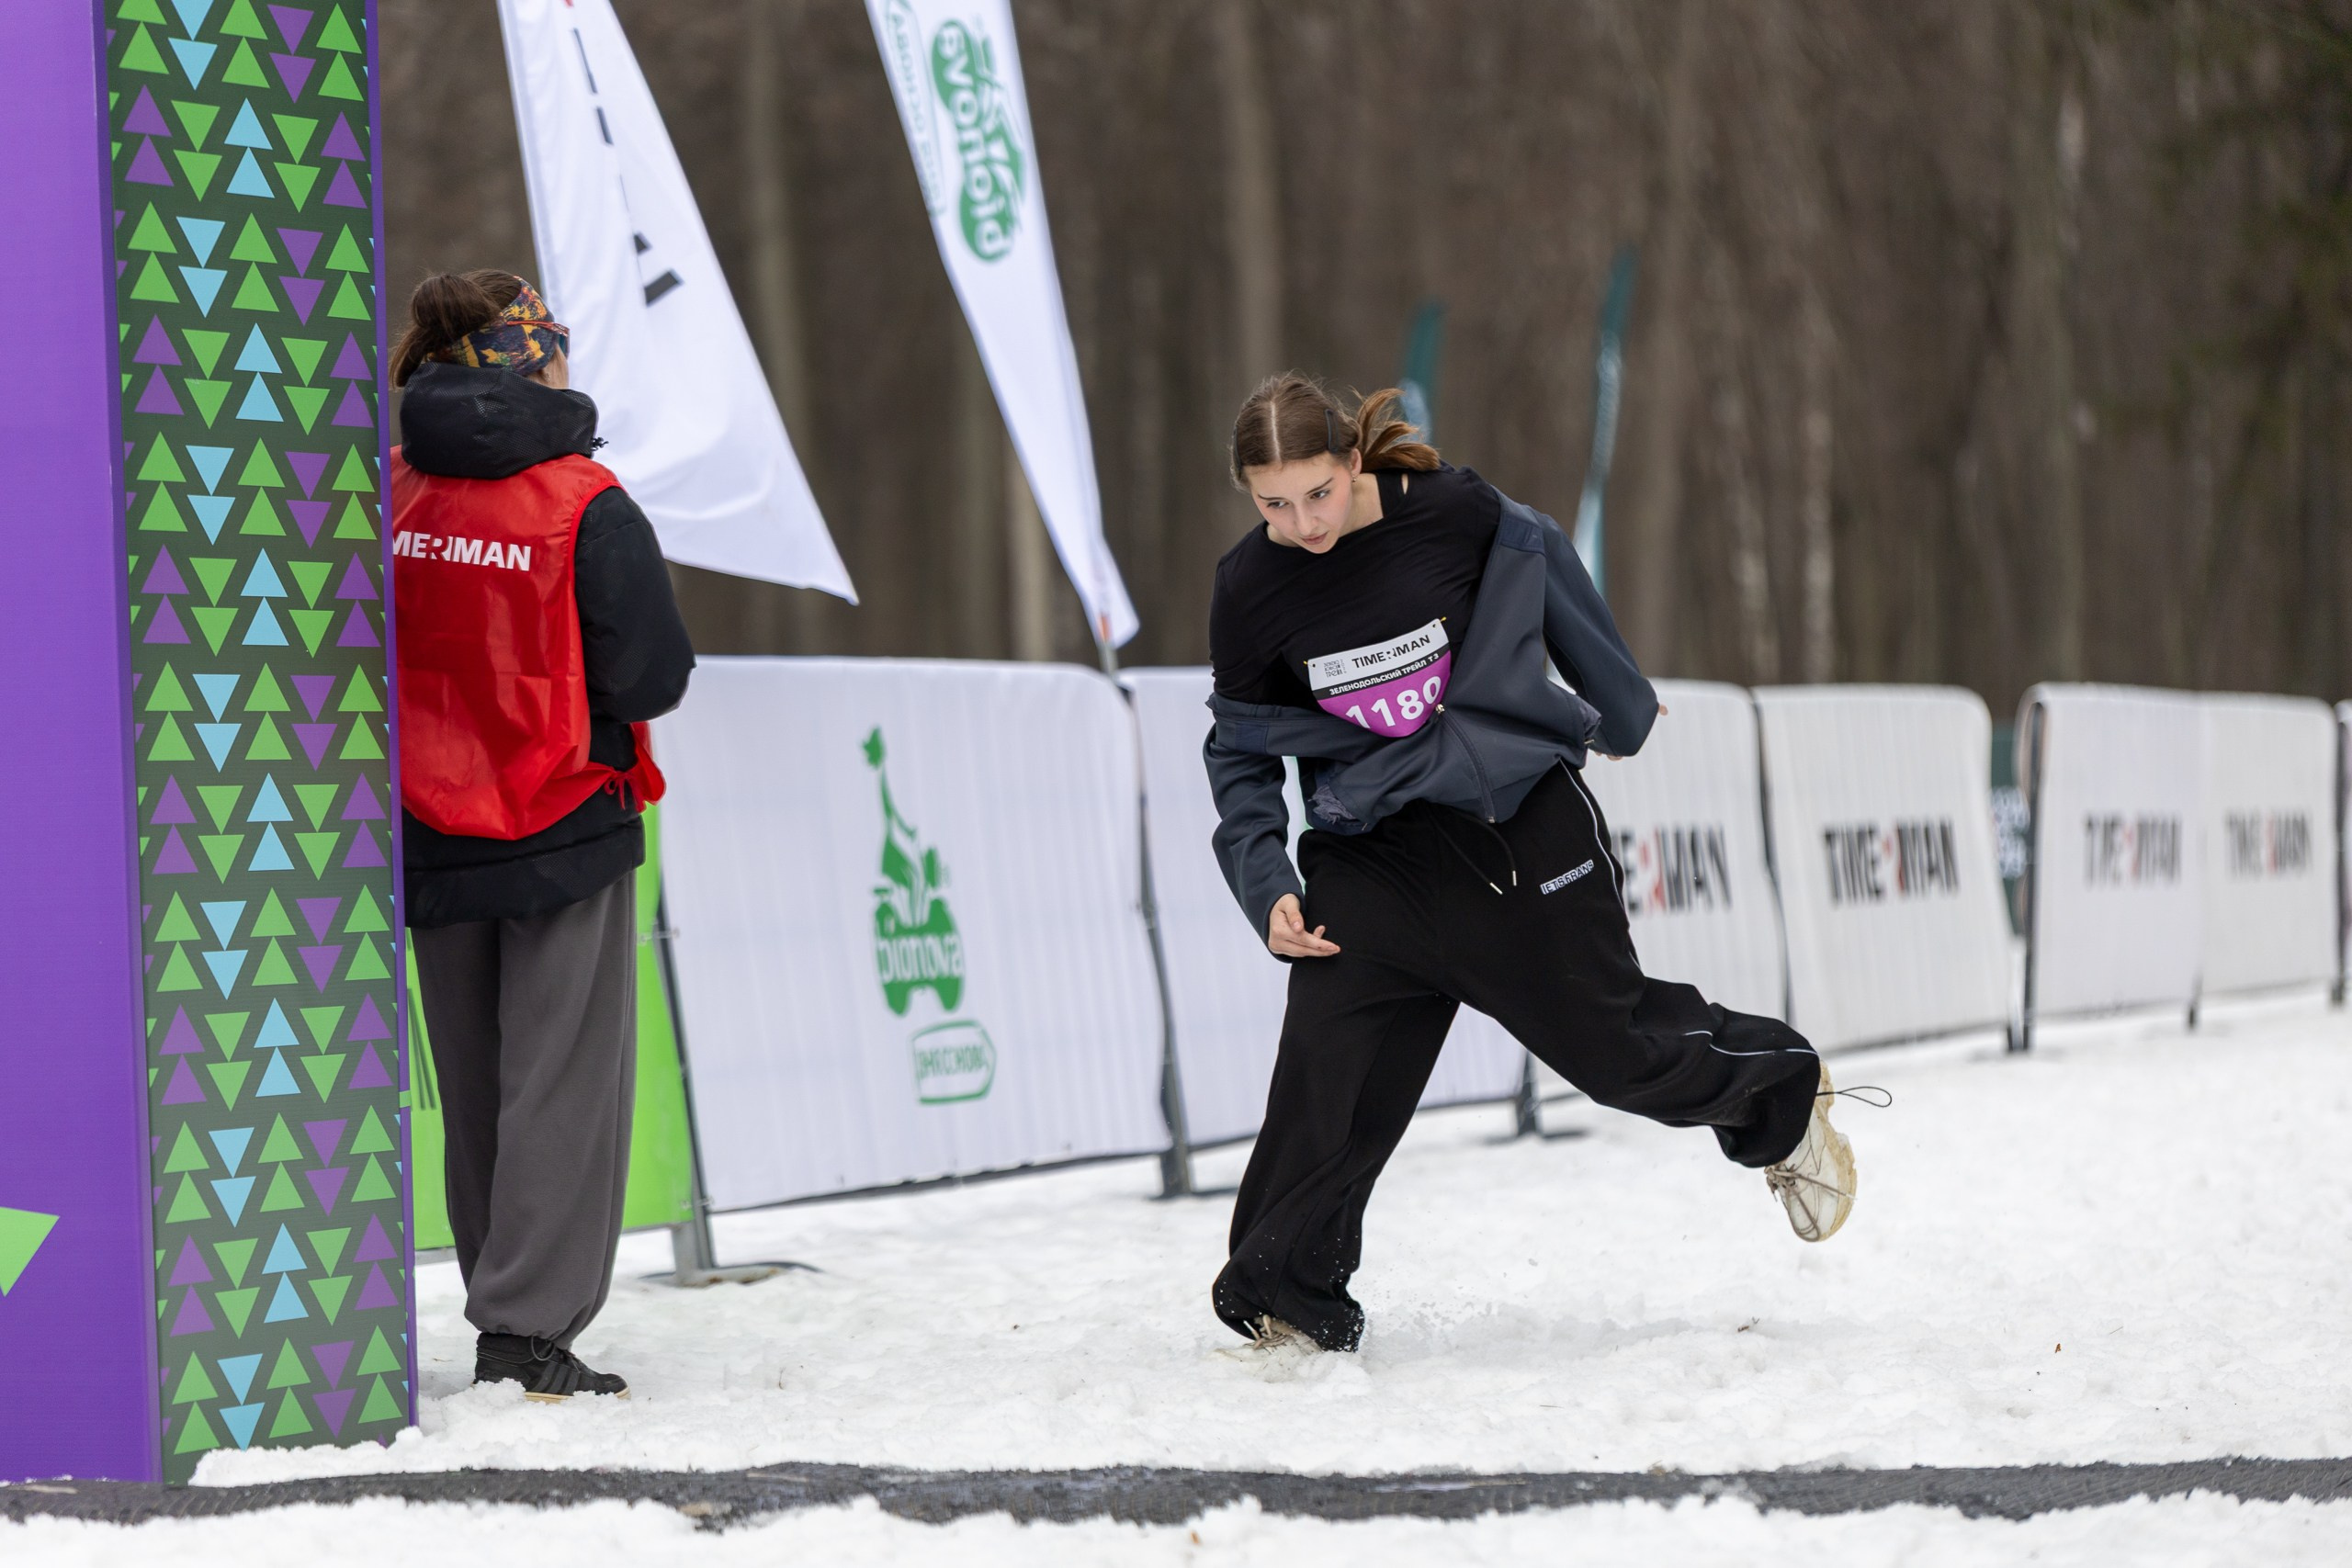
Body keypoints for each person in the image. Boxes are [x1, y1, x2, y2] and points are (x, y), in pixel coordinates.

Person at [1203, 373, 1857, 1356]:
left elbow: (1545, 556)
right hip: (1369, 860)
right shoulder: (1249, 589)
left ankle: (1781, 1092)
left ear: (1353, 461)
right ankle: (1287, 1296)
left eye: (1318, 493)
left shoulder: (1451, 512)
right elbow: (1240, 749)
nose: (1303, 523)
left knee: (1619, 1053)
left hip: (1511, 830)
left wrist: (1617, 705)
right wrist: (1266, 884)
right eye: (1274, 505)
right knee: (1323, 1082)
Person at [388, 272, 695, 1399]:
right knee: (558, 1085)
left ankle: (502, 1309)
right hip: (563, 814)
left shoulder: (388, 489)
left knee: (475, 1089)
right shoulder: (581, 499)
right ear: (533, 357)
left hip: (425, 820)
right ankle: (525, 1334)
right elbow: (651, 674)